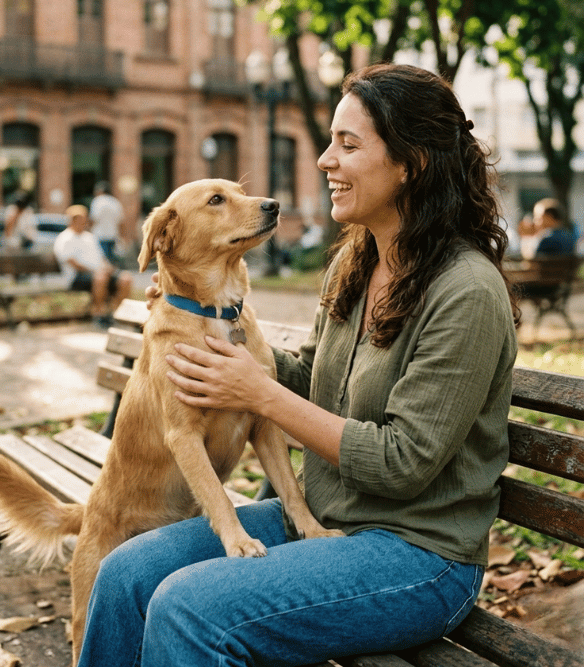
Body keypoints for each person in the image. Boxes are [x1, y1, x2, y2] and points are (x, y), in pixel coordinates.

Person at [76, 64, 519, 667]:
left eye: (348, 145)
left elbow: (404, 463)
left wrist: (259, 393)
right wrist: (207, 325)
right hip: (323, 518)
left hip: (418, 553)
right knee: (125, 574)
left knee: (187, 607)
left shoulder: (466, 291)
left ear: (410, 163)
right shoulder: (355, 267)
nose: (324, 160)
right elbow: (315, 381)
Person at [53, 204, 133, 328]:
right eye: (79, 219)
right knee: (100, 278)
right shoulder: (64, 238)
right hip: (77, 277)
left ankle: (116, 314)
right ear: (71, 221)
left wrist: (108, 268)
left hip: (99, 273)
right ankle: (99, 314)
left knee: (125, 278)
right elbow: (72, 263)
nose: (83, 222)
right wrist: (95, 270)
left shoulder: (90, 237)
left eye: (84, 219)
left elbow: (102, 258)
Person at [89, 181, 124, 264]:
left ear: (100, 191)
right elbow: (121, 221)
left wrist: (89, 229)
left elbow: (94, 218)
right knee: (111, 258)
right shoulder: (115, 202)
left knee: (102, 259)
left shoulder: (98, 201)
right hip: (113, 234)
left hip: (100, 235)